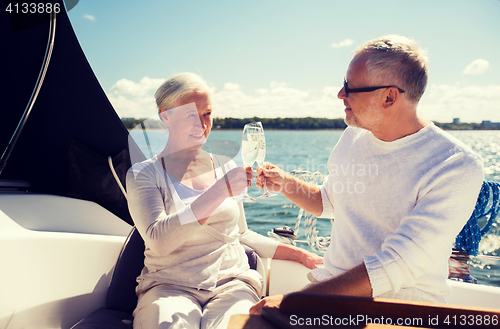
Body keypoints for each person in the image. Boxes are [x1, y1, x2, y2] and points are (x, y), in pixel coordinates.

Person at [250, 35, 484, 314]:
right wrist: (286, 184)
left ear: (389, 96)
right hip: (333, 297)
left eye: (350, 86)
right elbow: (330, 202)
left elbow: (397, 262)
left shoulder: (455, 165)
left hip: (400, 309)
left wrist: (296, 301)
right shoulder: (353, 137)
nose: (340, 94)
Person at [126, 72, 322, 329]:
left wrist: (299, 254)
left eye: (207, 114)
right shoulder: (144, 173)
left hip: (232, 285)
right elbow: (159, 240)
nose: (202, 124)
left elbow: (242, 234)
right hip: (168, 288)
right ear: (165, 116)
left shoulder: (223, 165)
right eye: (190, 115)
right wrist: (219, 191)